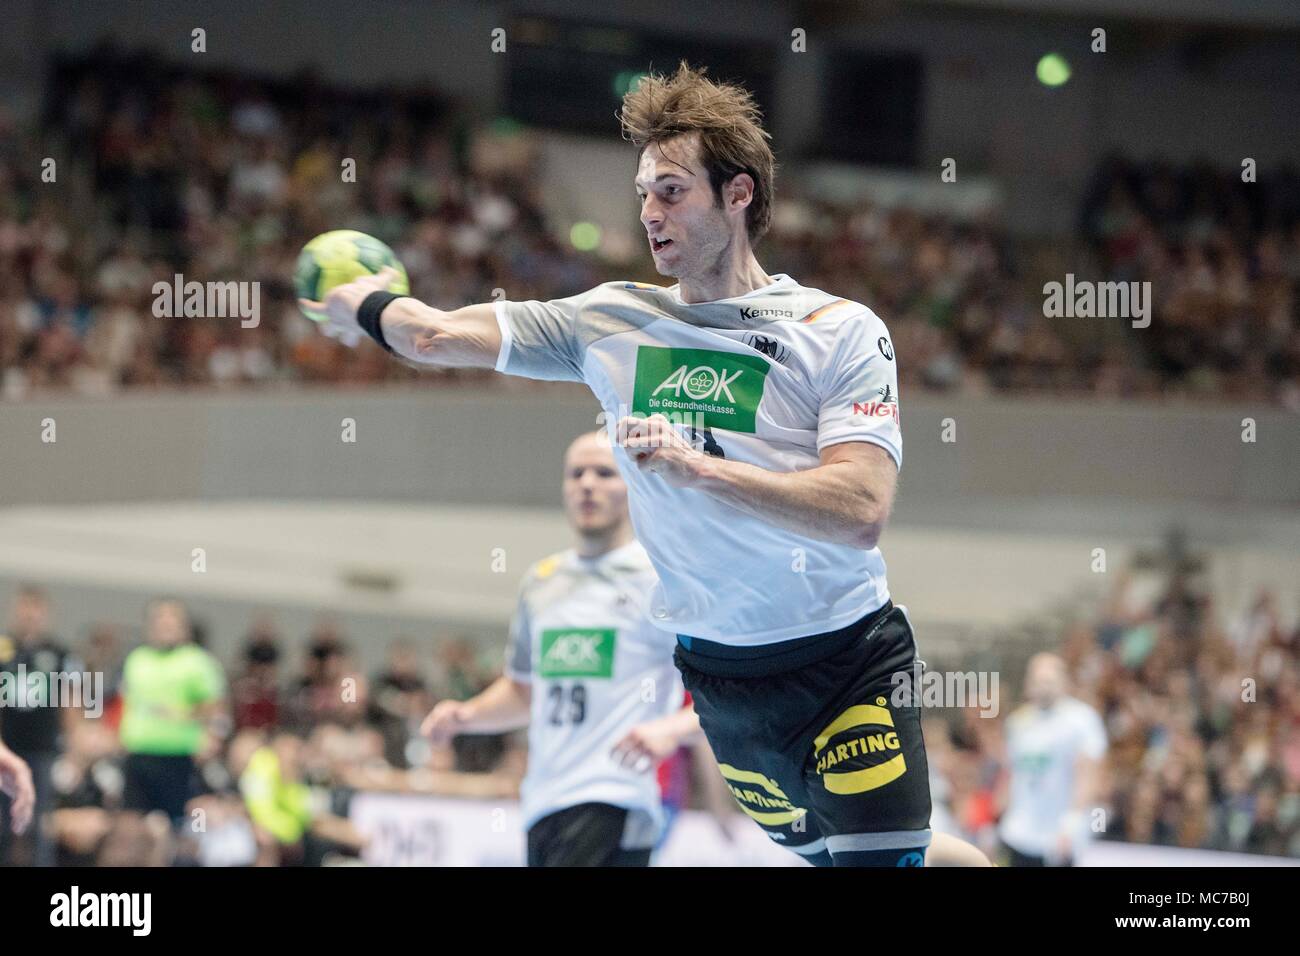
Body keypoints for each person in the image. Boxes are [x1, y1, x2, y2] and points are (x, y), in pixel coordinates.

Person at [305, 63, 984, 867]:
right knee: (885, 857)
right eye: (643, 193)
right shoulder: (611, 320)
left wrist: (703, 471)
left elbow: (862, 510)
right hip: (721, 676)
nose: (649, 213)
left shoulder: (838, 330)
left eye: (671, 191)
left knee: (879, 865)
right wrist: (367, 304)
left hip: (844, 656)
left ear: (737, 195)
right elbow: (435, 336)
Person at [422, 431, 687, 866]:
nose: (587, 483)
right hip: (544, 804)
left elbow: (726, 687)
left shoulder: (660, 579)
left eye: (603, 473)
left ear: (631, 484)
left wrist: (670, 731)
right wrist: (466, 716)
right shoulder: (542, 582)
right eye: (575, 473)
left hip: (616, 797)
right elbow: (524, 691)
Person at [119, 598, 227, 825]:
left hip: (179, 758)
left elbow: (215, 709)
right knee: (132, 826)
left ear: (184, 626)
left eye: (172, 619)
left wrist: (184, 718)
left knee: (173, 827)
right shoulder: (137, 660)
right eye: (160, 619)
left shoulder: (197, 661)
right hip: (139, 757)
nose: (165, 625)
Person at [998, 653, 1107, 866]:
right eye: (1038, 681)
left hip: (1058, 837)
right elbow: (1012, 772)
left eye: (1049, 681)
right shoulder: (1017, 722)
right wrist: (997, 817)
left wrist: (1072, 824)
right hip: (1018, 833)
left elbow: (1088, 774)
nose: (1043, 687)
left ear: (1064, 682)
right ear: (1028, 684)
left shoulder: (1081, 720)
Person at [0, 584, 76, 865]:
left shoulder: (58, 653)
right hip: (6, 750)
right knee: (4, 823)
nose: (30, 615)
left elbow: (71, 700)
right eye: (24, 608)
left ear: (46, 614)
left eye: (36, 609)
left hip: (43, 751)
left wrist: (71, 751)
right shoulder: (3, 648)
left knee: (40, 821)